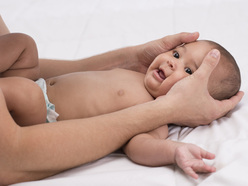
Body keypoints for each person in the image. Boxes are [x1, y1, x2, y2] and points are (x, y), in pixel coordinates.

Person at [0, 16, 244, 185]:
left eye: (189, 71)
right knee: (24, 44)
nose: (172, 62)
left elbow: (140, 147)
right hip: (37, 83)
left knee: (25, 93)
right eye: (177, 53)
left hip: (40, 114)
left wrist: (174, 151)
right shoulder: (138, 75)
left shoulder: (156, 114)